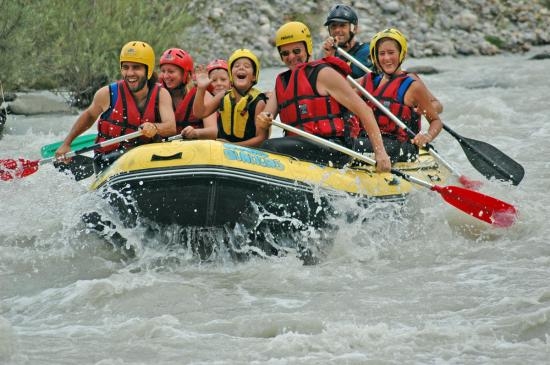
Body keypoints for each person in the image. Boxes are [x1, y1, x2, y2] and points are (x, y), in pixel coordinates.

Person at [256, 21, 391, 172]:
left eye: (296, 51)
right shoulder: (282, 82)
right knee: (269, 145)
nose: (291, 57)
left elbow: (365, 110)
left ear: (307, 49)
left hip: (335, 148)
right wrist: (263, 121)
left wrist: (380, 153)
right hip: (303, 147)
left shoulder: (323, 74)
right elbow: (265, 119)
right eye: (285, 53)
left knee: (271, 146)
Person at [55, 41, 176, 172]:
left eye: (136, 67)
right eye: (125, 67)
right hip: (109, 159)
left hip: (146, 158)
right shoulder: (107, 94)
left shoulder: (161, 94)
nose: (130, 73)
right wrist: (67, 143)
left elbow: (171, 127)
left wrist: (155, 128)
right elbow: (89, 116)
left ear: (148, 70)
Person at [355, 28, 443, 162]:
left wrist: (426, 136)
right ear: (375, 57)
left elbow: (436, 122)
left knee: (354, 145)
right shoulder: (367, 81)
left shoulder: (413, 86)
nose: (386, 58)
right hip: (370, 141)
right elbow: (338, 87)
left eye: (391, 53)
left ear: (401, 54)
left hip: (401, 146)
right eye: (382, 53)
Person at [193, 49, 268, 147]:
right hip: (224, 151)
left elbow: (261, 139)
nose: (241, 68)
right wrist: (201, 89)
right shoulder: (223, 96)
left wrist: (232, 146)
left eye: (247, 66)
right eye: (236, 66)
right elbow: (200, 113)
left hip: (249, 155)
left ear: (254, 76)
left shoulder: (258, 102)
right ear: (231, 75)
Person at [159, 48, 217, 140]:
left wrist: (196, 133)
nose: (166, 76)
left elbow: (214, 132)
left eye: (171, 71)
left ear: (186, 74)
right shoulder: (157, 94)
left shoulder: (203, 94)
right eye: (163, 71)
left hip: (195, 149)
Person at [321, 4, 373, 79]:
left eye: (342, 25)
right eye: (333, 26)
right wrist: (329, 57)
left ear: (354, 29)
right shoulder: (326, 51)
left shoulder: (366, 52)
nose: (337, 30)